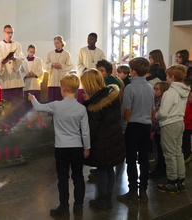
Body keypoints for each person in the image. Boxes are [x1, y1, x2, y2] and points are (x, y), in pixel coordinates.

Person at [28, 74, 90, 218]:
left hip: (61, 147)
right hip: (77, 147)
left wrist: (32, 99)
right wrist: (87, 148)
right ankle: (78, 206)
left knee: (63, 178)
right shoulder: (81, 108)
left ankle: (63, 207)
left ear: (63, 88)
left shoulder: (56, 105)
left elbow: (38, 107)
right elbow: (85, 131)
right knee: (78, 177)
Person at [80, 69, 124, 210]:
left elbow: (91, 128)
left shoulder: (96, 105)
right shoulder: (111, 95)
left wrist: (85, 146)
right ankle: (108, 197)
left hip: (102, 142)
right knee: (109, 169)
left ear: (90, 84)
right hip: (114, 138)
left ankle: (102, 199)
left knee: (102, 171)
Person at [117, 57, 155, 204]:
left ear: (132, 71)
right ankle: (143, 190)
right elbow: (152, 110)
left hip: (132, 126)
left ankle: (132, 190)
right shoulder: (150, 87)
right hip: (146, 126)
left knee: (131, 159)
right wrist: (149, 123)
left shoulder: (130, 88)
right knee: (144, 158)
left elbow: (126, 111)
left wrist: (123, 127)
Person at [156, 65, 190, 193]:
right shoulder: (184, 91)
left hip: (169, 123)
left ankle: (171, 181)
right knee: (178, 152)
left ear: (172, 77)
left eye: (167, 76)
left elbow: (163, 112)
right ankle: (180, 180)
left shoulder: (170, 92)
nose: (166, 78)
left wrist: (156, 117)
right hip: (179, 122)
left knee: (169, 153)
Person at [0, 24, 27, 122]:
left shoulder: (17, 45)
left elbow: (22, 58)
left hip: (16, 78)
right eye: (8, 32)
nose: (10, 34)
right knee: (6, 103)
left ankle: (18, 121)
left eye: (11, 32)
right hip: (5, 78)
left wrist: (15, 59)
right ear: (3, 33)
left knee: (17, 103)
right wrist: (2, 61)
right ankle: (6, 123)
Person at [76, 33, 106, 103]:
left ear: (96, 40)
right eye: (88, 39)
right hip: (84, 77)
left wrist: (95, 73)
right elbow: (78, 64)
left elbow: (103, 65)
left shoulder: (100, 52)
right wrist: (86, 71)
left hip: (95, 78)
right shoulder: (82, 50)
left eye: (91, 39)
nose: (89, 41)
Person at [149, 81, 170, 178]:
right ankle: (160, 169)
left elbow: (157, 116)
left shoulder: (162, 101)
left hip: (161, 129)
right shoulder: (155, 99)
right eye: (154, 88)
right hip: (156, 129)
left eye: (157, 89)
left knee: (161, 151)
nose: (154, 91)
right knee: (159, 150)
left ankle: (161, 170)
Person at [44, 35, 73, 103]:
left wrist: (61, 66)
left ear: (61, 43)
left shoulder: (66, 54)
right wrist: (52, 64)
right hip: (52, 80)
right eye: (54, 43)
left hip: (61, 79)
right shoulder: (50, 53)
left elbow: (70, 66)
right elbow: (45, 64)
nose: (56, 45)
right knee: (52, 100)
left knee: (61, 99)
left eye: (57, 43)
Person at [23, 44, 44, 113]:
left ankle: (36, 118)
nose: (32, 53)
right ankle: (27, 120)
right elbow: (21, 72)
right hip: (26, 85)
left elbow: (41, 71)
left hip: (35, 84)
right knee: (27, 104)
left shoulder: (39, 60)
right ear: (27, 51)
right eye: (30, 51)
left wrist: (34, 74)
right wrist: (26, 75)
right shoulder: (23, 61)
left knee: (35, 103)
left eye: (33, 52)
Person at [182, 78, 192, 163]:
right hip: (185, 121)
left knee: (186, 139)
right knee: (184, 139)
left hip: (189, 122)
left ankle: (187, 154)